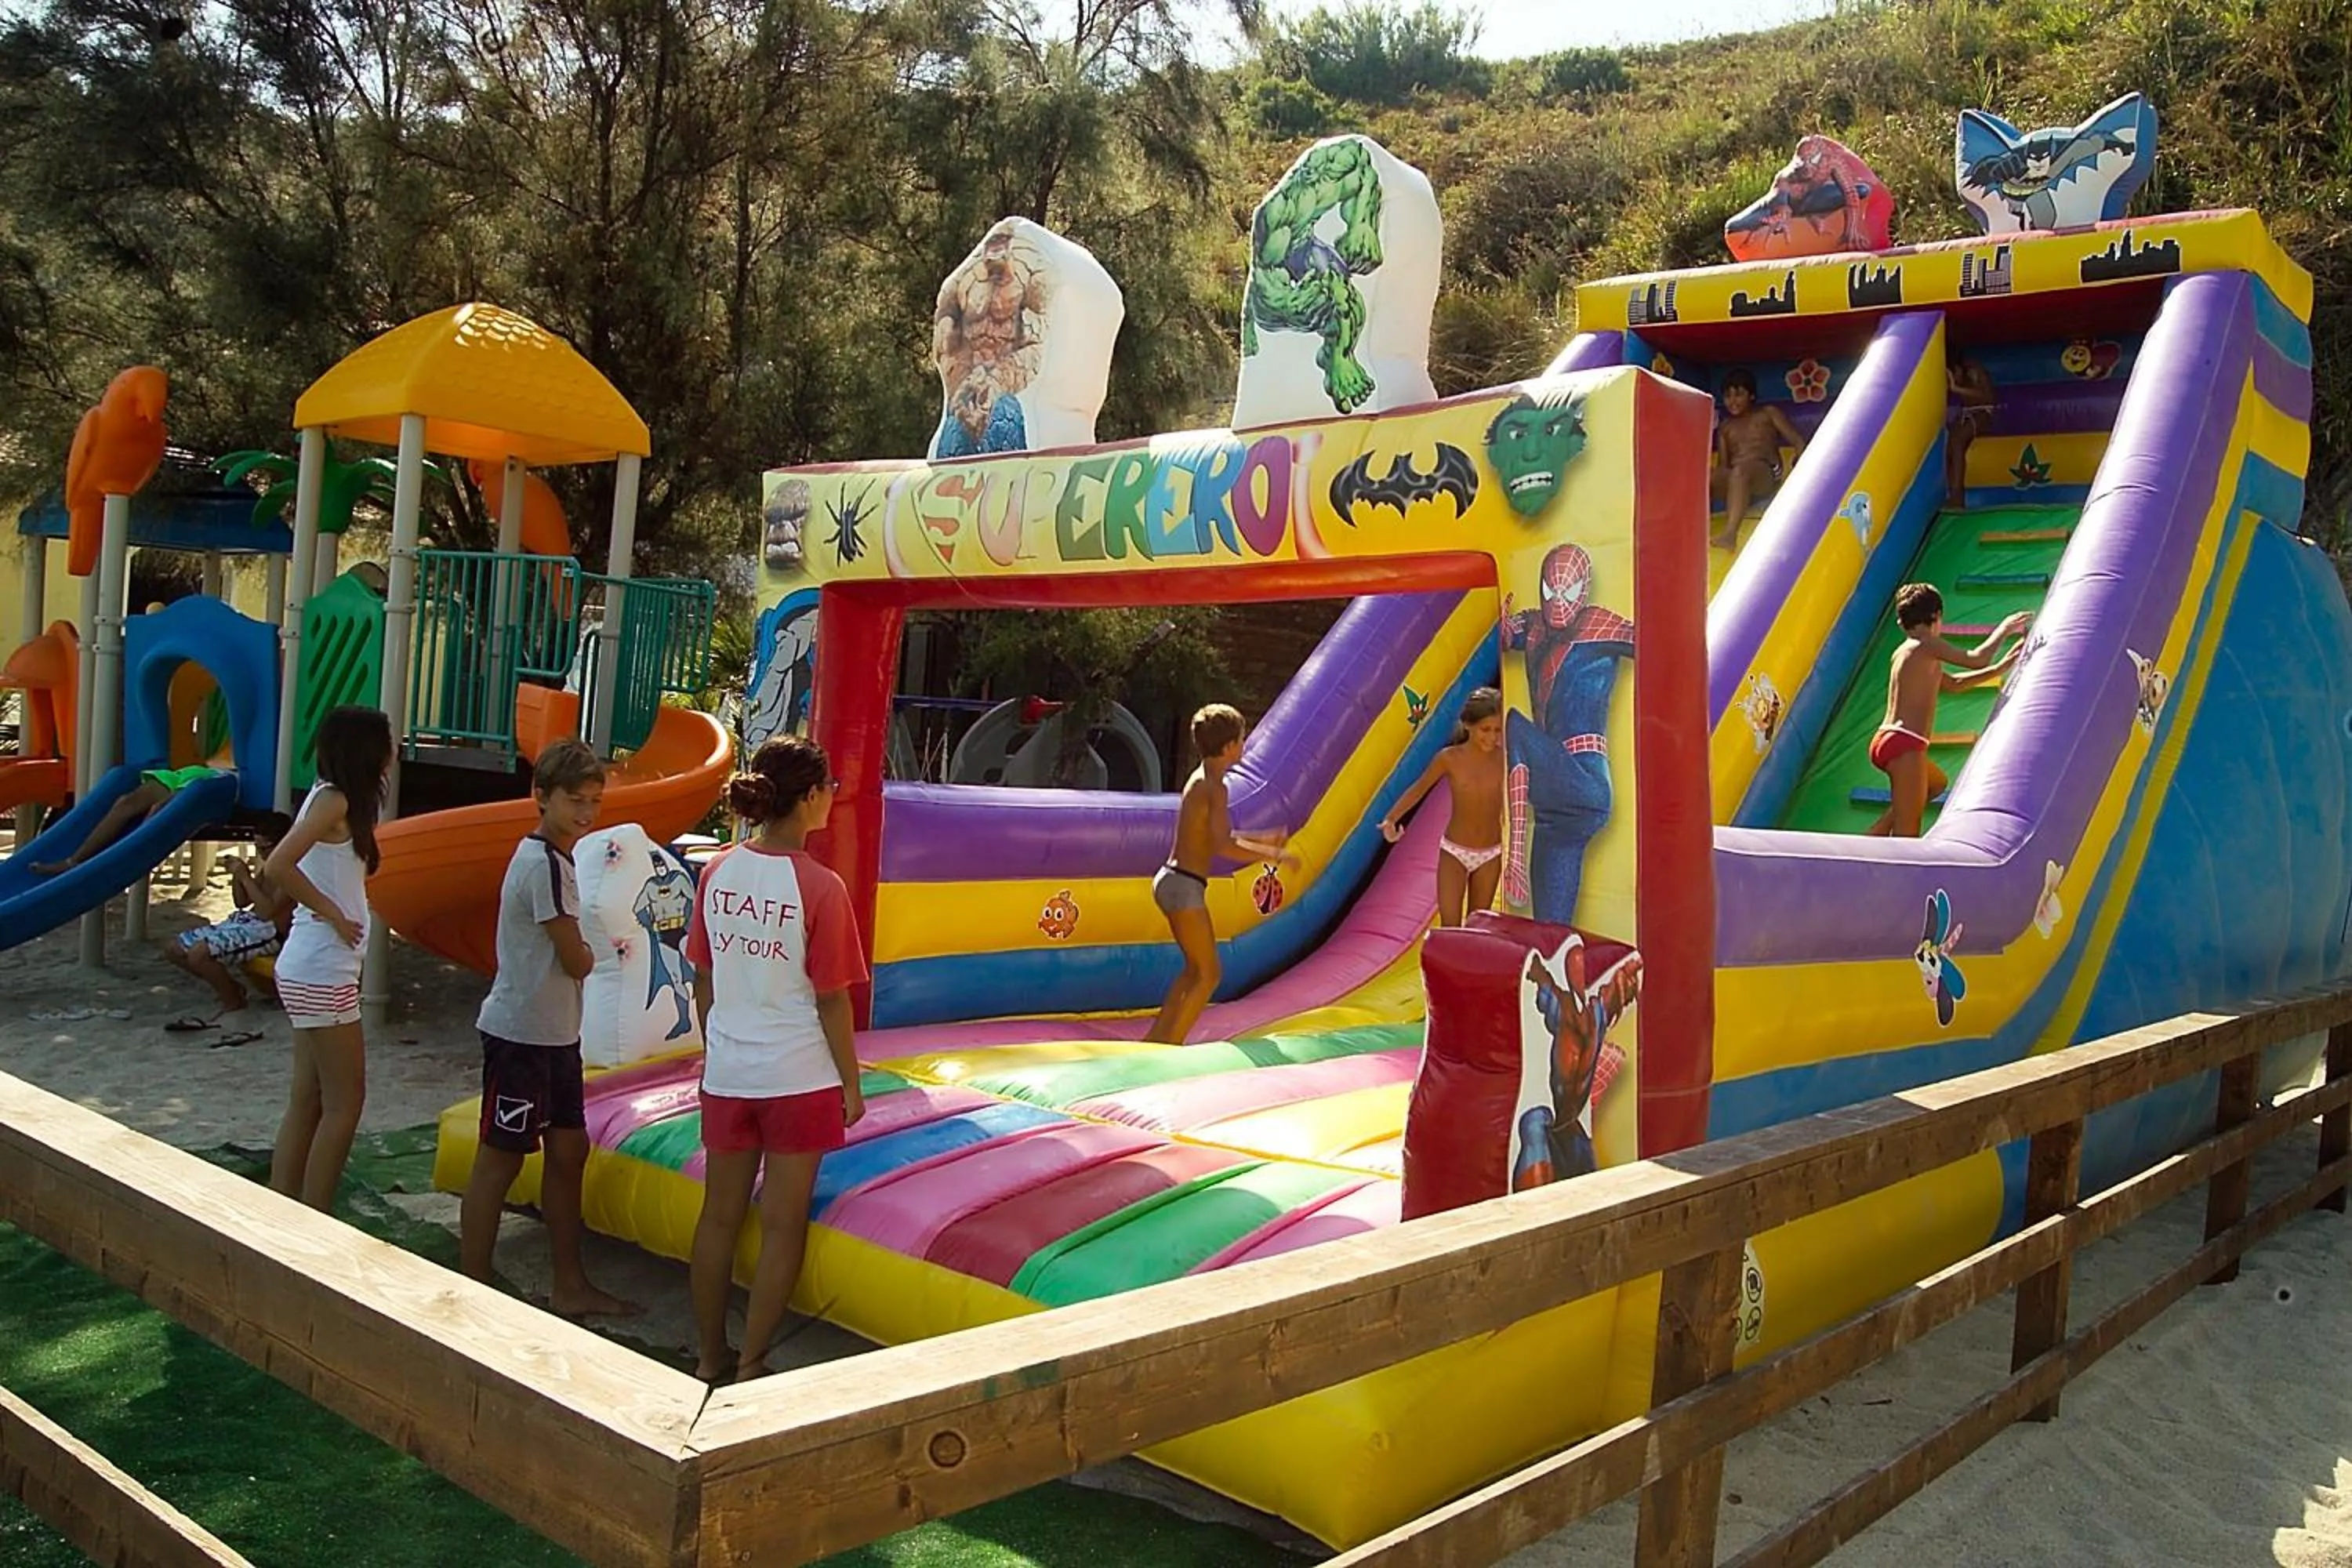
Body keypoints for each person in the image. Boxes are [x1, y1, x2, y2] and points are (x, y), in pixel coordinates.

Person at [684, 735, 869, 1384]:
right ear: (812, 797)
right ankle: (752, 1362)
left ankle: (709, 1356)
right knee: (783, 1226)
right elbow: (832, 1002)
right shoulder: (820, 886)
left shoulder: (717, 871)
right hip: (799, 1078)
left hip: (729, 1072)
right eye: (829, 790)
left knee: (719, 1217)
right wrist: (851, 1083)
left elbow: (703, 976)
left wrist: (719, 1047)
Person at [459, 739, 639, 1319]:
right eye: (575, 800)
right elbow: (575, 958)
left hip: (556, 1035)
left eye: (594, 801)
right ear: (542, 797)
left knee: (569, 1149)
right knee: (501, 1157)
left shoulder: (554, 859)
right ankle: (474, 1283)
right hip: (523, 1035)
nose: (587, 813)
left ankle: (569, 1283)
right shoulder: (543, 863)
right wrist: (599, 952)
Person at [263, 706, 391, 1213]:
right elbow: (278, 864)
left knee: (310, 1097)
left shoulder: (333, 799)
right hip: (322, 966)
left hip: (310, 964)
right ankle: (314, 1217)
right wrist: (334, 913)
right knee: (345, 1101)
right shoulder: (334, 801)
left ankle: (284, 1206)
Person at [1145, 703, 1297, 1046]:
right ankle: (1171, 1046)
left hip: (1174, 879)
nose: (1244, 746)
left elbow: (1214, 833)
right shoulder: (1214, 787)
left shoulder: (1204, 778)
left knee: (1193, 970)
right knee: (1210, 974)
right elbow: (1222, 846)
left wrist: (1263, 837)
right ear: (1229, 747)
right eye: (1242, 739)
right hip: (1183, 885)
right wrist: (1274, 854)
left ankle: (1157, 1039)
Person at [1867, 585, 2031, 837]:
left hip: (1888, 738)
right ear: (1937, 615)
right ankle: (1894, 865)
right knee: (1907, 835)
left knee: (1935, 785)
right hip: (1906, 743)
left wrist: (2000, 668)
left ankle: (1875, 834)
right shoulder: (1926, 644)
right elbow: (1976, 657)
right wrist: (2004, 629)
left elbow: (1953, 684)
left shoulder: (1906, 651)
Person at [1377, 688, 1507, 927]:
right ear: (1468, 725)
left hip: (1491, 854)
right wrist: (1391, 819)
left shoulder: (1505, 759)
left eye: (1497, 730)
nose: (1492, 737)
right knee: (1450, 928)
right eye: (1485, 730)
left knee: (1476, 927)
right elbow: (1419, 788)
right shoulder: (1449, 759)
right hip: (1455, 852)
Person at [163, 816, 296, 1012]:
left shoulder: (292, 868)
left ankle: (232, 1000)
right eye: (257, 848)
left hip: (268, 931)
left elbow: (269, 912)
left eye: (265, 848)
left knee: (199, 954)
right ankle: (232, 988)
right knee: (174, 949)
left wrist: (244, 877)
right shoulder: (270, 865)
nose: (261, 854)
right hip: (247, 922)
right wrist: (239, 875)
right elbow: (242, 902)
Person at [32, 763, 227, 875]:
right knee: (125, 802)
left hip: (214, 780)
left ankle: (76, 861)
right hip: (192, 773)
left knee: (162, 808)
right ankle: (74, 860)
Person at [1709, 368, 1806, 550]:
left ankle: (1730, 535)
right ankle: (1697, 527)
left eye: (1739, 395)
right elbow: (1723, 466)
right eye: (1728, 396)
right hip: (1740, 480)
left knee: (1741, 471)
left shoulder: (1767, 414)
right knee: (1709, 476)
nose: (1733, 401)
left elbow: (1798, 441)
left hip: (1766, 473)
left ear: (1752, 396)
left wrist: (1799, 474)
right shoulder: (1725, 427)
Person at [1946, 357, 1997, 506]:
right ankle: (1954, 495)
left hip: (1982, 412)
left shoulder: (1975, 370)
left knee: (1956, 443)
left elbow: (1987, 397)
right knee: (1949, 450)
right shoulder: (1958, 373)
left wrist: (1956, 388)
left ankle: (1957, 497)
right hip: (1967, 413)